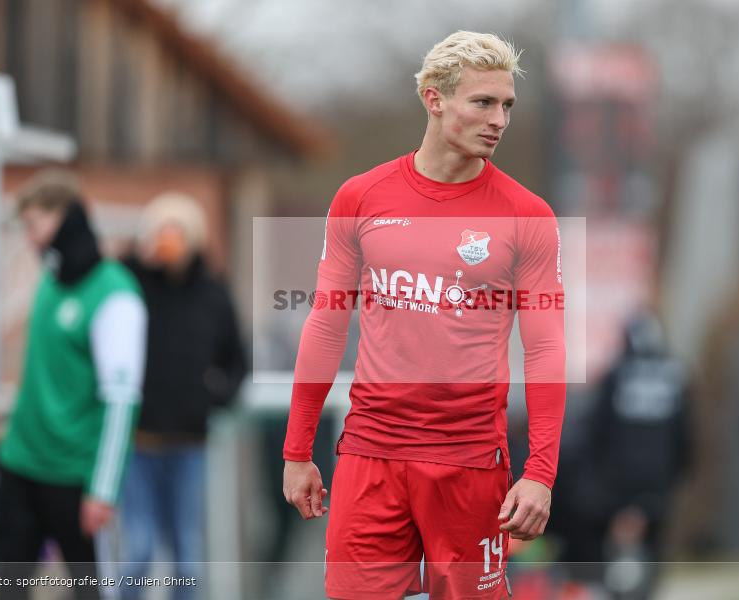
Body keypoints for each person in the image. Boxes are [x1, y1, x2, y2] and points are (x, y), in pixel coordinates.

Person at [283, 31, 566, 599]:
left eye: (506, 105)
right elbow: (326, 324)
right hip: (370, 453)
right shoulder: (360, 197)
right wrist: (297, 450)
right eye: (482, 102)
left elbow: (546, 348)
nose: (499, 120)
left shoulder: (527, 215)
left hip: (469, 461)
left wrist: (539, 473)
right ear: (434, 100)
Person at [0, 170, 147, 599]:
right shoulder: (49, 281)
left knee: (88, 591)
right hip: (20, 462)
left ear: (65, 218)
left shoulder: (115, 295)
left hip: (74, 477)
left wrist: (103, 489)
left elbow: (122, 401)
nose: (30, 238)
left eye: (35, 225)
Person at [118, 193, 246, 600]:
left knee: (187, 554)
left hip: (190, 442)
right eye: (160, 231)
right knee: (138, 548)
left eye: (176, 232)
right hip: (138, 440)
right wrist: (139, 261)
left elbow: (238, 361)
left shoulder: (212, 291)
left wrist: (211, 398)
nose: (167, 240)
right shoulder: (130, 282)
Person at [552, 311, 691, 600]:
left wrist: (597, 478)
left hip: (615, 484)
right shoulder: (676, 374)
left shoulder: (617, 374)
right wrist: (678, 473)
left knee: (610, 553)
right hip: (658, 482)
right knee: (651, 549)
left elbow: (598, 430)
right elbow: (685, 434)